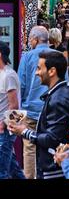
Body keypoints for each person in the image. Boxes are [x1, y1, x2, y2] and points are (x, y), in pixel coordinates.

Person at [9, 51, 69, 180]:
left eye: (39, 68)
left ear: (52, 71)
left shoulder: (58, 99)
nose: (36, 73)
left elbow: (52, 138)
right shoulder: (63, 93)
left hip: (55, 170)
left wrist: (24, 131)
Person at [17, 26, 57, 179]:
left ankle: (30, 177)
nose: (29, 42)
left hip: (31, 109)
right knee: (52, 145)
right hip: (52, 110)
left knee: (29, 148)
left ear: (35, 39)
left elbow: (21, 84)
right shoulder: (58, 56)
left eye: (29, 39)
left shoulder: (27, 57)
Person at [0, 42, 25, 179]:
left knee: (2, 171)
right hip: (3, 128)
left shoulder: (8, 75)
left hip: (4, 129)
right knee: (12, 168)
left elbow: (14, 105)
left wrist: (3, 125)